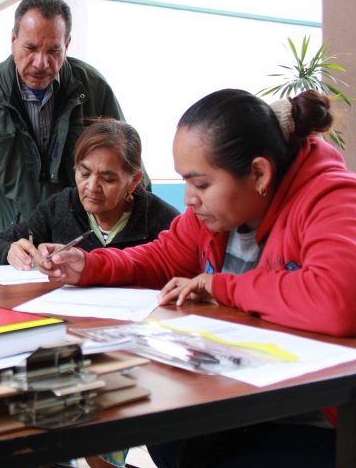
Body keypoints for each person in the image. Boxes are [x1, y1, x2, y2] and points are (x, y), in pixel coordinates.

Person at [39, 89, 356, 467]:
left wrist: (220, 286)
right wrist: (89, 265)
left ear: (258, 173)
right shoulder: (212, 215)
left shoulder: (329, 197)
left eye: (201, 184)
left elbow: (334, 299)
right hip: (236, 397)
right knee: (157, 426)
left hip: (317, 417)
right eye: (185, 181)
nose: (189, 198)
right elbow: (161, 256)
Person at [0, 0, 132, 268]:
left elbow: (126, 160)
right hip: (16, 245)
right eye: (30, 48)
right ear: (13, 40)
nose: (41, 63)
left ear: (67, 45)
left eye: (53, 51)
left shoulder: (92, 88)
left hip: (82, 246)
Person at [0, 119, 178, 267]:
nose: (92, 187)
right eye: (84, 173)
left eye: (107, 179)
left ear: (134, 181)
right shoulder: (61, 206)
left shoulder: (163, 222)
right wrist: (10, 251)